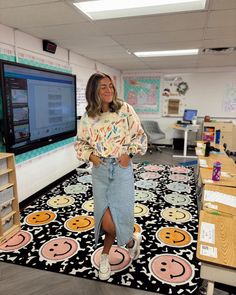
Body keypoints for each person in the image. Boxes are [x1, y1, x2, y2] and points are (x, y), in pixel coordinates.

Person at [75, 72, 147, 280]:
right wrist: (91, 156)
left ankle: (105, 256)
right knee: (106, 219)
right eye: (103, 87)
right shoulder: (88, 117)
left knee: (118, 216)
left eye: (110, 86)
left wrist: (129, 154)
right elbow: (80, 143)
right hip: (100, 171)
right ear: (94, 91)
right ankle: (131, 242)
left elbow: (140, 135)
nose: (109, 90)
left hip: (122, 168)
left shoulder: (125, 109)